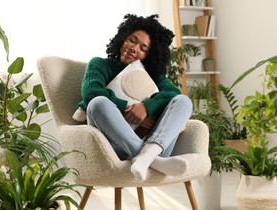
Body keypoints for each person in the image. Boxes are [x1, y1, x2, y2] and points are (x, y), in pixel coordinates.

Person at [78, 14, 193, 181]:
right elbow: (91, 92)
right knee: (97, 103)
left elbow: (173, 94)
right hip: (111, 149)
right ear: (123, 38)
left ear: (149, 55)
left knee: (183, 101)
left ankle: (147, 156)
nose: (134, 48)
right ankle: (154, 161)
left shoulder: (152, 76)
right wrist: (129, 110)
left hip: (153, 143)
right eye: (132, 40)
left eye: (143, 48)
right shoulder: (100, 64)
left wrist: (147, 107)